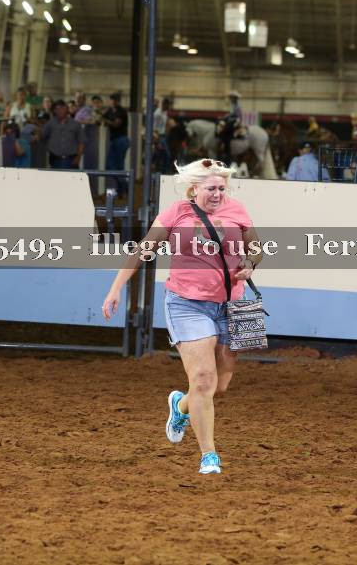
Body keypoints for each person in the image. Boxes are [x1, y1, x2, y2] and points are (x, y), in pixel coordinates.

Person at [101, 158, 262, 475]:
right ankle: (209, 455)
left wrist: (250, 262)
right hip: (187, 304)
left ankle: (180, 405)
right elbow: (142, 250)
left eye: (221, 188)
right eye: (211, 188)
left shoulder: (237, 210)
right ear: (194, 188)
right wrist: (115, 288)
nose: (218, 194)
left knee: (220, 385)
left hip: (233, 304)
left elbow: (257, 247)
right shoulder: (176, 213)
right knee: (203, 379)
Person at [39, 99, 85, 169]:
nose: (60, 111)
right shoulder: (50, 124)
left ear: (66, 109)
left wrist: (78, 158)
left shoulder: (75, 124)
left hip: (71, 160)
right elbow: (42, 136)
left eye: (62, 108)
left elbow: (82, 142)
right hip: (54, 160)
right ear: (54, 111)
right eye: (57, 109)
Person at [103, 92, 130, 195]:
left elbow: (116, 124)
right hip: (116, 140)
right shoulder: (110, 111)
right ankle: (124, 187)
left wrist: (104, 120)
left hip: (121, 140)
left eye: (112, 100)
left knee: (117, 166)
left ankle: (124, 187)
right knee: (110, 166)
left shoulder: (121, 111)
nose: (111, 102)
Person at [217, 90, 243, 166]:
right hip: (232, 119)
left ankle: (227, 147)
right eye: (231, 97)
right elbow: (231, 114)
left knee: (227, 128)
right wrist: (225, 117)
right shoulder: (233, 105)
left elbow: (237, 115)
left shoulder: (237, 106)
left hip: (236, 120)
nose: (231, 99)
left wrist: (227, 117)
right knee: (221, 123)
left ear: (235, 98)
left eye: (232, 97)